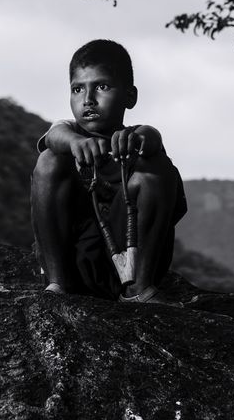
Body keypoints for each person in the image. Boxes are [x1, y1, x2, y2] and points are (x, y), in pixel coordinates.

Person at [30, 38, 187, 303]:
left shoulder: (135, 142)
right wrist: (76, 143)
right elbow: (55, 135)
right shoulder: (69, 134)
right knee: (49, 160)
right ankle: (58, 284)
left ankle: (139, 289)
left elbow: (150, 140)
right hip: (75, 266)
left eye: (102, 87)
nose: (88, 100)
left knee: (158, 169)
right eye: (78, 89)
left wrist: (148, 137)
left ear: (130, 96)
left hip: (129, 267)